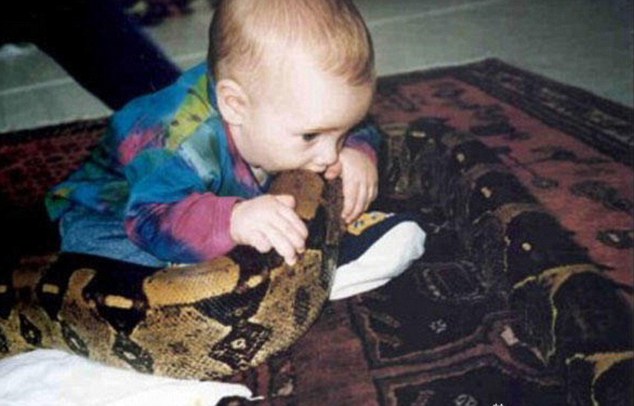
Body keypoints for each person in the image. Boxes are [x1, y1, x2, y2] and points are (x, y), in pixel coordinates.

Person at [46, 0, 425, 288]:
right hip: (116, 212)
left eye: (340, 133)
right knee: (122, 268)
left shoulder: (281, 109)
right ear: (234, 106)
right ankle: (310, 274)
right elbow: (149, 217)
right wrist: (232, 220)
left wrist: (359, 148)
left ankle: (296, 262)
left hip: (203, 190)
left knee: (302, 172)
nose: (329, 154)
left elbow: (348, 123)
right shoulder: (182, 144)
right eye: (312, 135)